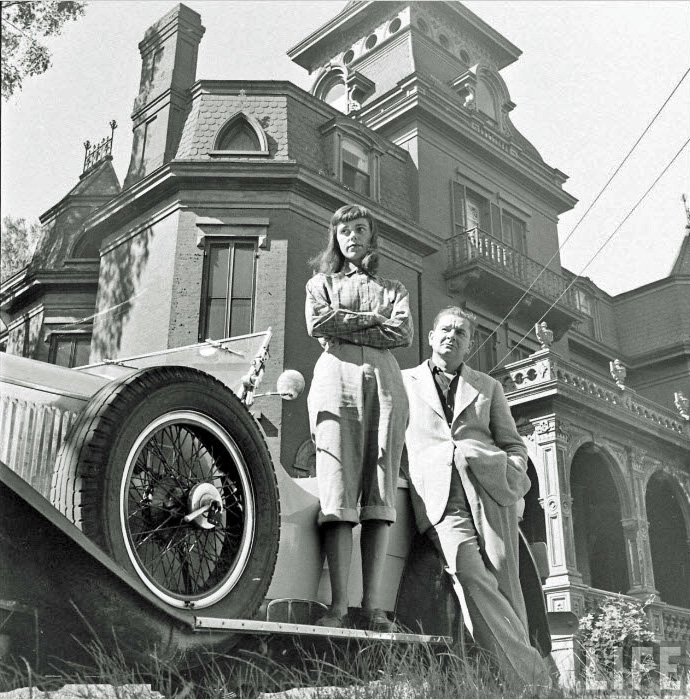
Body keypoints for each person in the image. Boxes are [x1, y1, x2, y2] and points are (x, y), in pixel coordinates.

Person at [402, 306, 552, 690]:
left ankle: (497, 684)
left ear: (469, 345)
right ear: (432, 337)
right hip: (439, 498)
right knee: (469, 573)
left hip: (490, 493)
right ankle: (536, 682)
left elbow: (514, 444)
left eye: (461, 333)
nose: (452, 336)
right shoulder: (405, 382)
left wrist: (512, 476)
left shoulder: (489, 386)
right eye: (445, 330)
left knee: (506, 584)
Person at [305, 204, 412, 631]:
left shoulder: (393, 287)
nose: (352, 236)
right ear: (336, 237)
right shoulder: (321, 283)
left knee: (379, 488)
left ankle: (373, 606)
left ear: (371, 236)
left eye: (360, 229)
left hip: (385, 382)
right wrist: (372, 319)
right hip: (336, 378)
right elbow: (318, 322)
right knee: (337, 484)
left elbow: (401, 333)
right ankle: (338, 606)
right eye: (344, 230)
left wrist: (346, 322)